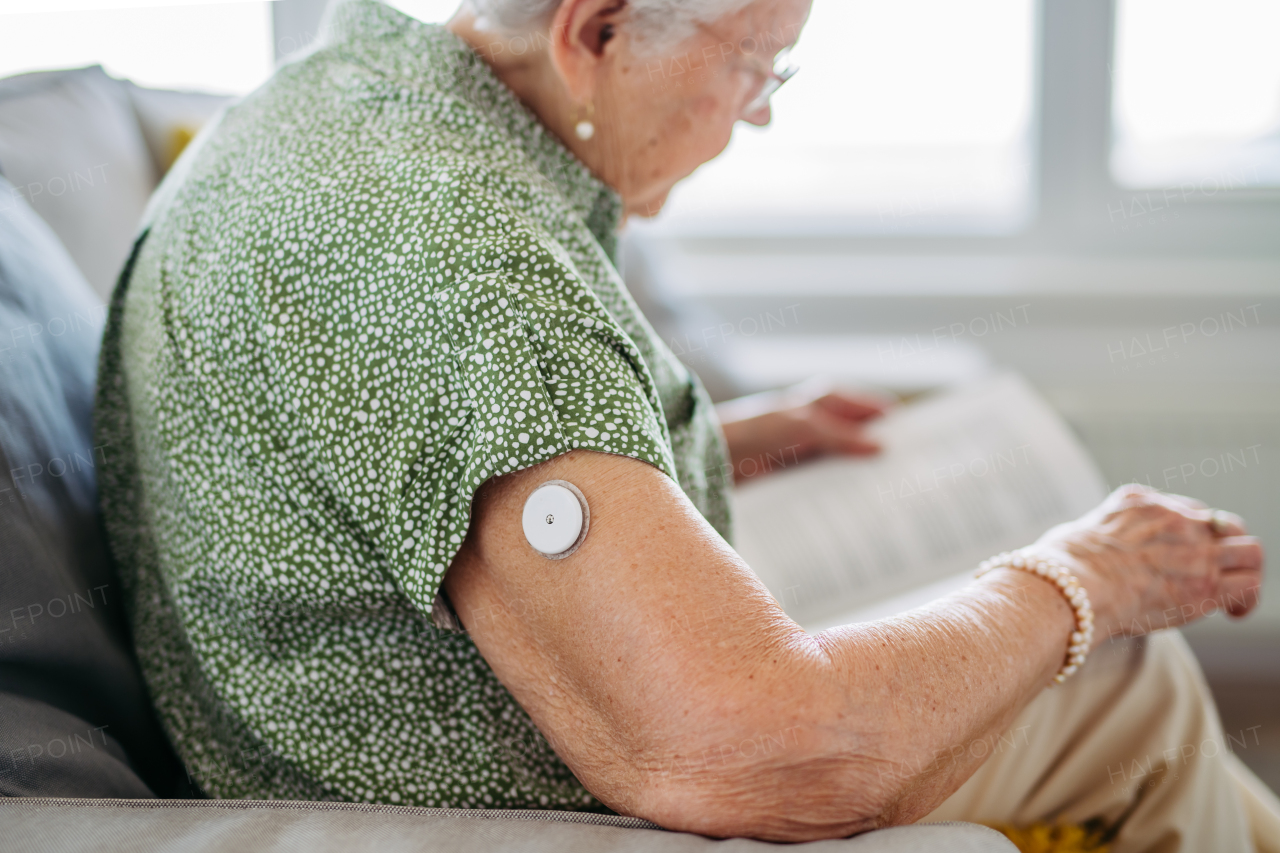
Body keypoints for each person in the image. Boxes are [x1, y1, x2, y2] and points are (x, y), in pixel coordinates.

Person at [95, 0, 1277, 849]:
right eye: (758, 67)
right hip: (445, 775)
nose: (755, 116)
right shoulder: (470, 274)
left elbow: (415, 422)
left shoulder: (344, 92)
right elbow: (756, 747)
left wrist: (714, 434)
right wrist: (1081, 576)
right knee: (1125, 673)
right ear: (596, 33)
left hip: (335, 679)